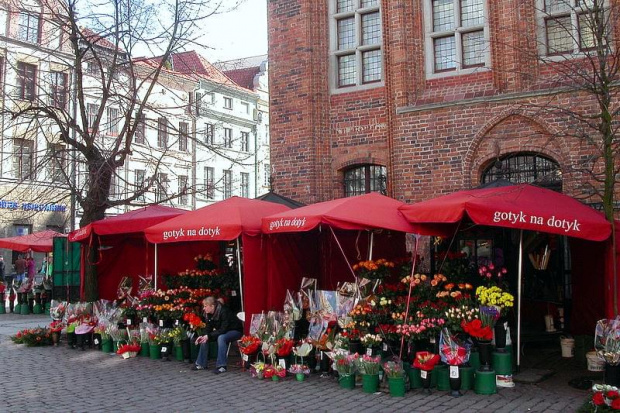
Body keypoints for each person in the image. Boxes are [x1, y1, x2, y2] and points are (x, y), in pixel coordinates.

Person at [191, 296, 243, 374]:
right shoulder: (208, 313)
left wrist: (209, 336)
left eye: (205, 306)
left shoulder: (224, 311)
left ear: (212, 306)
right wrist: (203, 336)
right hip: (222, 331)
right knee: (205, 339)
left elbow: (224, 329)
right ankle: (201, 364)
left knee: (221, 338)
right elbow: (208, 328)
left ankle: (222, 366)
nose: (204, 308)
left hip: (234, 331)